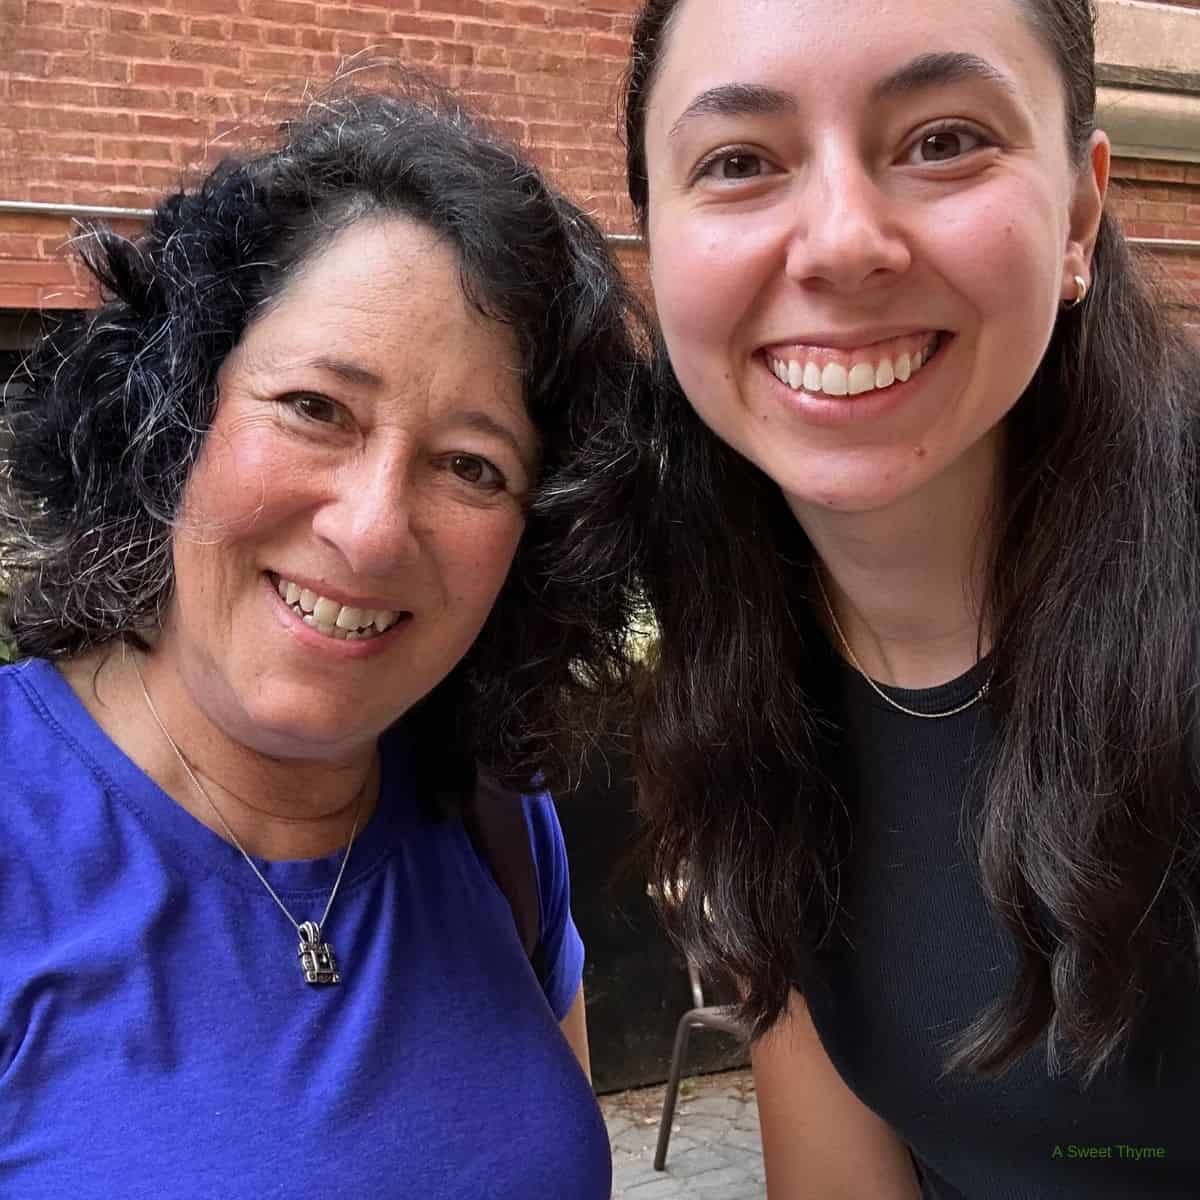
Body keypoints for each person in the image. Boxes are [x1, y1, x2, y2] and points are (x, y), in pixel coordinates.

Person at [0, 87, 647, 1197]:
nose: (372, 526)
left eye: (471, 466)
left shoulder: (494, 816)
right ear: (179, 411)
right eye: (315, 408)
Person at [619, 0, 1200, 1196]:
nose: (841, 242)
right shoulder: (744, 654)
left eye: (943, 139)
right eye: (739, 162)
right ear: (657, 241)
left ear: (1081, 210)